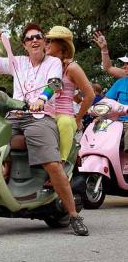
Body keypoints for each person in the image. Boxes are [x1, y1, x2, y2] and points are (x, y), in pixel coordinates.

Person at [0, 25, 88, 236]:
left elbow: (55, 84)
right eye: (29, 38)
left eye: (38, 37)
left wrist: (42, 99)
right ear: (24, 45)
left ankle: (73, 215)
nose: (34, 40)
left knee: (52, 164)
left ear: (44, 42)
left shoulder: (53, 62)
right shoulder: (17, 62)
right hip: (15, 115)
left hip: (40, 116)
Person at [44, 26, 94, 161]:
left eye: (51, 41)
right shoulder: (44, 65)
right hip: (46, 113)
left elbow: (90, 94)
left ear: (62, 46)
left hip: (64, 115)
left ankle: (61, 163)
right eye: (47, 41)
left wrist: (78, 118)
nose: (47, 44)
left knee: (65, 122)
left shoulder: (72, 68)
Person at [104, 70, 128, 155]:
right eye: (125, 64)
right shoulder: (120, 82)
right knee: (98, 127)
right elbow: (106, 101)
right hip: (117, 121)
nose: (125, 66)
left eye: (127, 64)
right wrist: (99, 113)